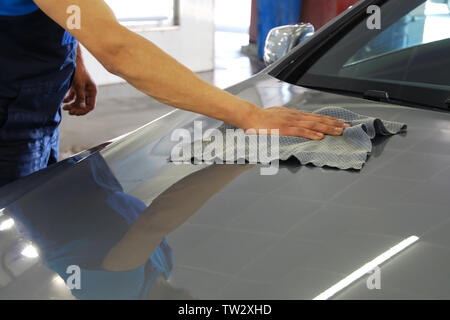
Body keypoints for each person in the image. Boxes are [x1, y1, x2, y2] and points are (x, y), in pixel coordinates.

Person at [0, 0, 349, 187]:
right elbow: (118, 51)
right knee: (14, 220)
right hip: (9, 119)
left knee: (36, 202)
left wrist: (73, 54)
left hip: (36, 107)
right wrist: (251, 115)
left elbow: (64, 10)